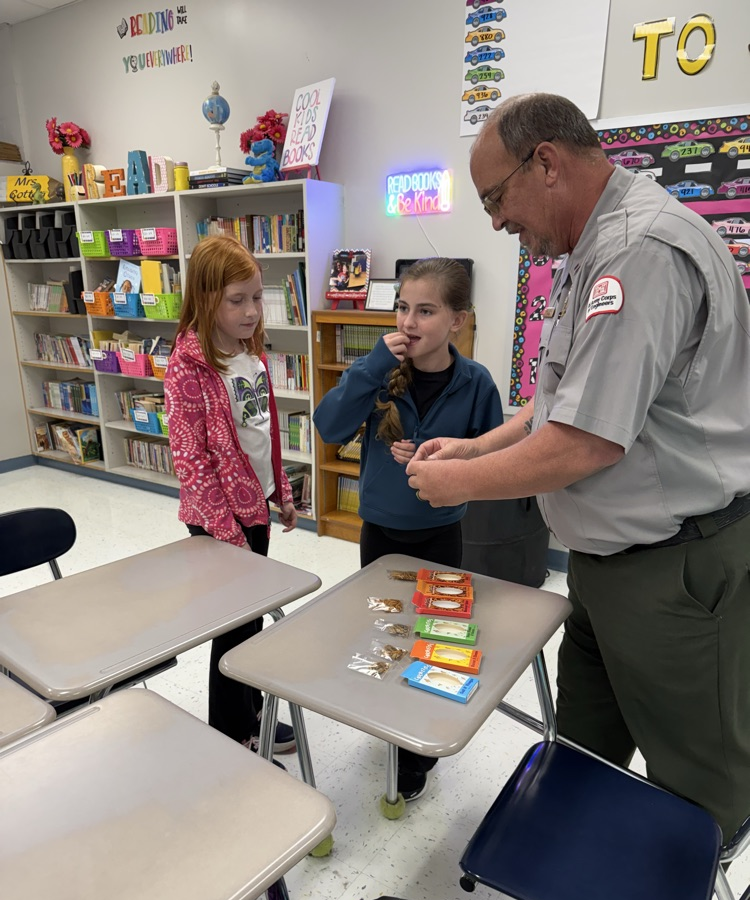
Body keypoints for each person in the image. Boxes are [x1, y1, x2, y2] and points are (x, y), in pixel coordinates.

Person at [405, 93, 750, 843]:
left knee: (696, 782)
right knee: (587, 744)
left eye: (496, 198)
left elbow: (586, 443)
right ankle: (588, 885)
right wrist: (475, 447)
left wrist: (455, 485)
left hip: (673, 568)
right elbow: (559, 400)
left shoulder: (639, 251)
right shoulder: (583, 248)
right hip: (605, 563)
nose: (495, 222)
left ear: (548, 163)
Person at [314, 257, 504, 801]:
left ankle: (419, 747)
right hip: (380, 534)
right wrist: (370, 367)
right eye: (402, 307)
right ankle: (385, 722)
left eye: (426, 310)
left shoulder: (475, 383)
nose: (410, 321)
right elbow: (328, 426)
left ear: (458, 321)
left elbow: (492, 460)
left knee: (435, 639)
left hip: (440, 534)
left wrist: (447, 465)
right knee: (383, 634)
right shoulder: (378, 370)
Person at [164, 235, 298, 757]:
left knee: (252, 619)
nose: (250, 310)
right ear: (205, 299)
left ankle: (253, 712)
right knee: (234, 628)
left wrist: (281, 492)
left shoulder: (249, 353)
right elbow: (192, 462)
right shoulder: (188, 368)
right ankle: (232, 733)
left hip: (254, 508)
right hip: (221, 522)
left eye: (257, 296)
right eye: (236, 299)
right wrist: (228, 536)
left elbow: (264, 432)